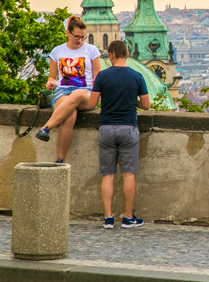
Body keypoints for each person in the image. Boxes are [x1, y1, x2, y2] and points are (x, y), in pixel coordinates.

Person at [87, 40, 150, 229]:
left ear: (111, 55)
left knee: (108, 175)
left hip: (106, 128)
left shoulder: (102, 76)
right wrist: (134, 103)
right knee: (129, 174)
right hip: (128, 128)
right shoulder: (137, 76)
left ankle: (108, 218)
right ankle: (128, 217)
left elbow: (91, 103)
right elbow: (146, 105)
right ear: (127, 54)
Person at [35, 16, 102, 163]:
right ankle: (60, 160)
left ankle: (46, 127)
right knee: (70, 116)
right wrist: (50, 83)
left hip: (86, 93)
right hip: (62, 92)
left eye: (82, 37)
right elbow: (52, 76)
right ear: (68, 33)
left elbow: (98, 76)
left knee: (77, 94)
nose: (79, 40)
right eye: (76, 36)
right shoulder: (57, 52)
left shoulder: (91, 50)